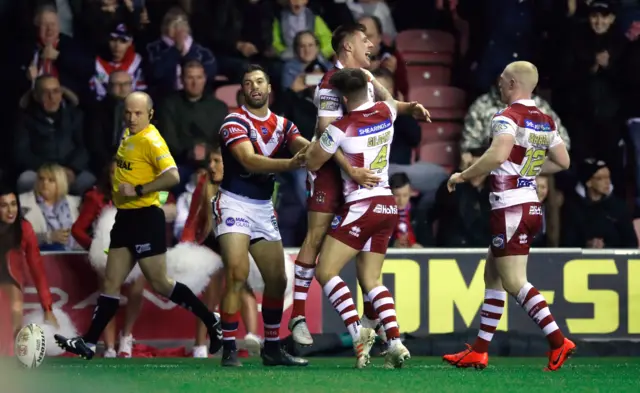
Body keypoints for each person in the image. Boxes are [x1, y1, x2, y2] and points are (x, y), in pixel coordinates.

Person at [289, 23, 430, 346]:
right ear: (347, 47)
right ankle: (298, 315)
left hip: (359, 176)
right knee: (316, 236)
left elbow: (391, 103)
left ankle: (370, 321)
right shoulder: (328, 86)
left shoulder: (366, 78)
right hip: (330, 170)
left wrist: (412, 110)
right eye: (364, 39)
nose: (371, 43)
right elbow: (327, 134)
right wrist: (350, 171)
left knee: (367, 250)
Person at [54, 91, 222, 360]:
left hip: (146, 218)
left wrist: (141, 189)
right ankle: (87, 342)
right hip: (125, 219)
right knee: (111, 282)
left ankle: (210, 319)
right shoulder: (128, 138)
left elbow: (173, 176)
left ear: (150, 114)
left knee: (161, 284)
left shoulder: (152, 141)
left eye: (138, 113)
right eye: (129, 113)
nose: (132, 118)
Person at [443, 61, 575, 371]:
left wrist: (463, 175)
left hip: (510, 207)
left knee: (515, 282)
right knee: (493, 276)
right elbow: (564, 161)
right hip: (529, 205)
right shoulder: (545, 120)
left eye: (503, 80)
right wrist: (528, 168)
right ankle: (479, 350)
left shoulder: (505, 117)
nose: (499, 85)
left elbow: (499, 154)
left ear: (513, 83)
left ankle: (558, 342)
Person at [216, 64, 308, 367]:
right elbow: (250, 161)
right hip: (233, 203)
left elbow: (306, 150)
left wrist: (332, 150)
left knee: (278, 279)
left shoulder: (284, 124)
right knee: (237, 274)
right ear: (243, 90)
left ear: (269, 88)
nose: (254, 87)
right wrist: (292, 164)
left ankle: (271, 347)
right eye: (248, 83)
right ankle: (229, 347)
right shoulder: (233, 121)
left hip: (262, 207)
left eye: (259, 81)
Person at [178, 146, 261, 358]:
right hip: (212, 244)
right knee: (210, 295)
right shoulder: (204, 184)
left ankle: (253, 338)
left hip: (239, 242)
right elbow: (192, 220)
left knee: (243, 287)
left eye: (217, 161)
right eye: (210, 161)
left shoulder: (244, 182)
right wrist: (185, 246)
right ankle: (200, 346)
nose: (211, 166)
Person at [71, 160, 145, 358]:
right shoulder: (96, 198)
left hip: (133, 251)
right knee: (108, 295)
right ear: (108, 175)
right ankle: (110, 346)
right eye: (114, 173)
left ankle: (126, 337)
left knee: (137, 289)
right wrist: (95, 247)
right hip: (107, 255)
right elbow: (77, 230)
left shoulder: (140, 196)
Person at [0, 186, 58, 345]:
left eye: (13, 204)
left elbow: (37, 269)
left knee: (16, 307)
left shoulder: (24, 228)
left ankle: (12, 358)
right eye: (4, 205)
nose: (10, 210)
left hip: (11, 279)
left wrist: (47, 308)